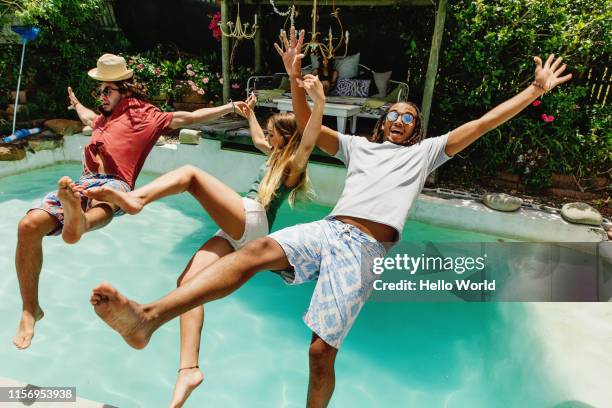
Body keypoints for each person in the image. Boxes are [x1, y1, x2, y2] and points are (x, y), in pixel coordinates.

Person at [89, 28, 572, 407]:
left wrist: (533, 89)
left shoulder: (426, 154)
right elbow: (305, 127)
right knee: (255, 251)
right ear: (382, 122)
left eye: (409, 117)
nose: (402, 120)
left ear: (417, 129)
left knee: (320, 353)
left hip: (364, 248)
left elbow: (481, 125)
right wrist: (298, 78)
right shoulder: (359, 146)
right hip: (328, 230)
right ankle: (148, 317)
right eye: (395, 115)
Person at [83, 85, 321, 407]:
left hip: (253, 218)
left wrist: (317, 103)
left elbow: (307, 141)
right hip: (238, 232)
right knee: (188, 285)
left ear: (287, 138)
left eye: (273, 133)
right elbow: (257, 141)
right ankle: (188, 369)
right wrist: (250, 115)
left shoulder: (292, 166)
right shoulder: (273, 154)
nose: (268, 138)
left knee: (191, 176)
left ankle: (134, 200)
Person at [12, 53, 249, 350]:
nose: (101, 96)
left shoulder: (144, 115)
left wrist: (230, 106)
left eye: (106, 90)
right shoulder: (101, 118)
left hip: (115, 184)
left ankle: (80, 222)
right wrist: (76, 104)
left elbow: (185, 118)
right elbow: (86, 116)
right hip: (83, 184)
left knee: (107, 202)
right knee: (28, 225)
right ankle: (30, 308)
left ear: (124, 88)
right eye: (98, 91)